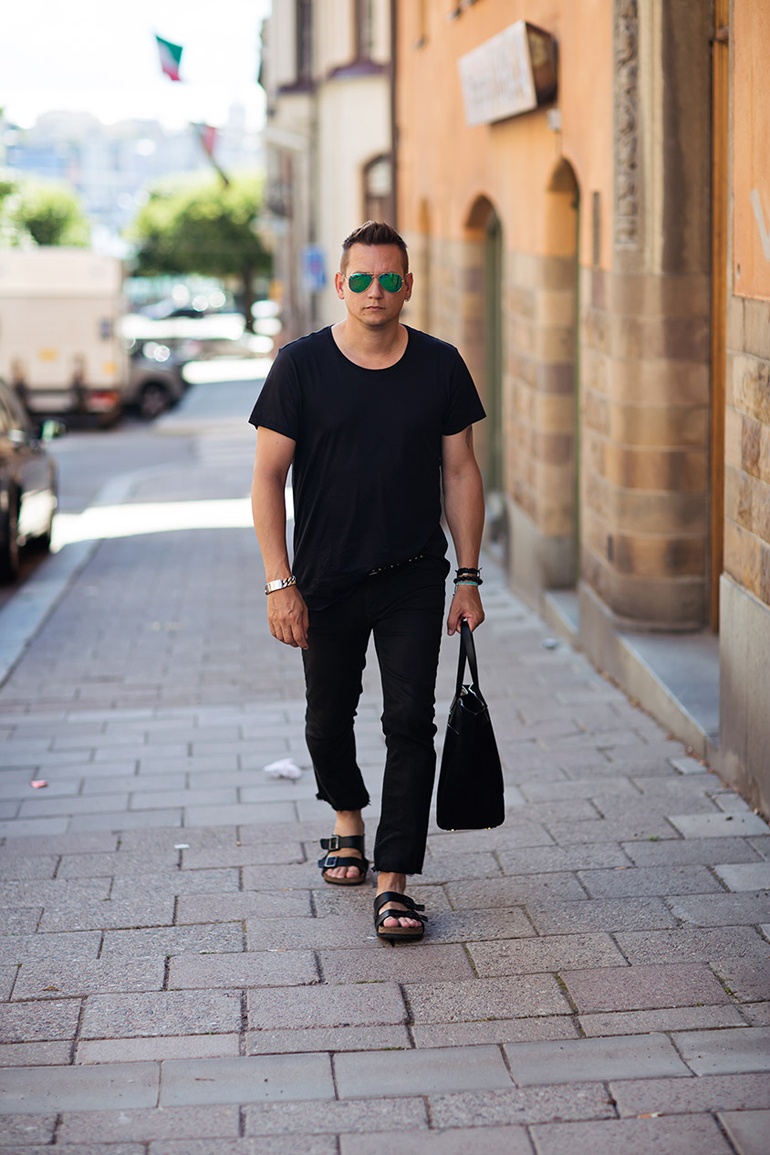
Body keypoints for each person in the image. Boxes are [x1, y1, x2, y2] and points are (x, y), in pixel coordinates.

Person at [249, 221, 486, 943]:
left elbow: (461, 471)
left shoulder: (441, 365)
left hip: (412, 574)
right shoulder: (300, 366)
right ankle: (347, 817)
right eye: (361, 279)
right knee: (328, 719)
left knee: (411, 722)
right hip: (324, 577)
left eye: (388, 279)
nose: (374, 291)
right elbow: (267, 478)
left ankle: (395, 881)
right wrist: (279, 582)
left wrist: (468, 576)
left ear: (408, 286)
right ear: (340, 284)